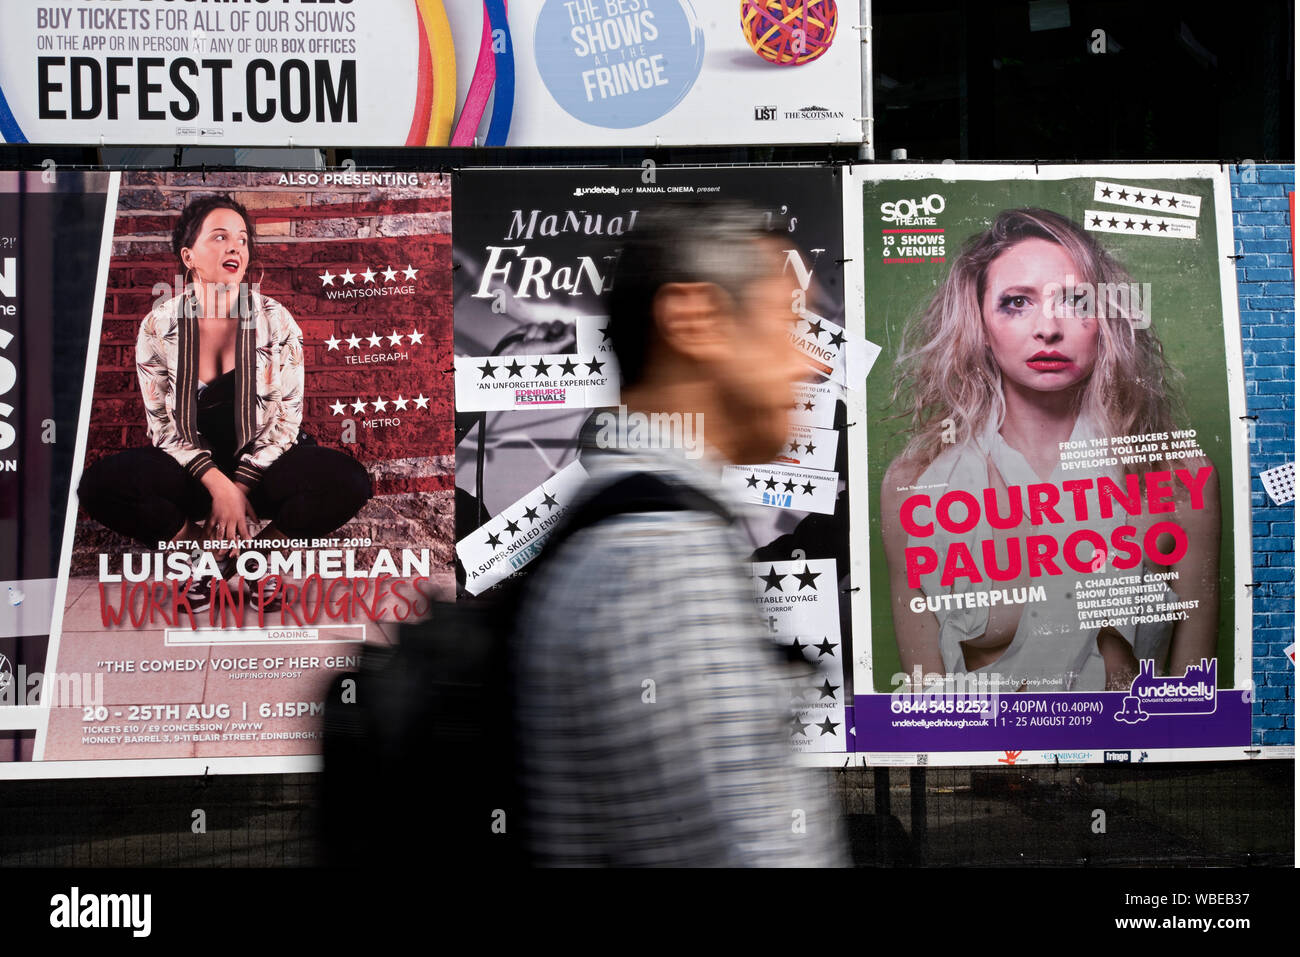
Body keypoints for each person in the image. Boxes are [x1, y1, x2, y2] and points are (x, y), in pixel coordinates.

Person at [512, 203, 847, 866]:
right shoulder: (661, 558)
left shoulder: (634, 523)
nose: (805, 364)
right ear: (693, 319)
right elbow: (745, 848)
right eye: (785, 323)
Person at [880, 208, 1221, 693]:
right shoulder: (912, 483)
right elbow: (925, 702)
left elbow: (1196, 702)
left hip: (1130, 763)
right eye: (1016, 302)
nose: (1048, 329)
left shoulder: (1178, 475)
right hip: (977, 765)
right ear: (978, 322)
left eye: (1077, 301)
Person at [78, 195, 372, 610]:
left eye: (242, 240)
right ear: (189, 256)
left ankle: (259, 560)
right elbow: (162, 425)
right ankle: (206, 559)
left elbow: (287, 420)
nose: (235, 247)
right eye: (219, 237)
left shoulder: (275, 319)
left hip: (263, 465)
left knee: (348, 481)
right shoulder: (159, 325)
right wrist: (218, 486)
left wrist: (239, 487)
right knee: (100, 485)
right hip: (194, 470)